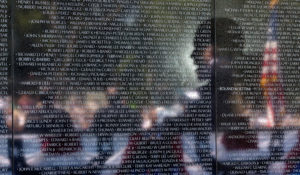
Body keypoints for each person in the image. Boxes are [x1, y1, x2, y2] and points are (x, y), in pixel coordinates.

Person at [89, 86, 141, 174]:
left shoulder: (101, 113)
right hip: (132, 156)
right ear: (121, 97)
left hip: (108, 156)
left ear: (107, 99)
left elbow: (94, 132)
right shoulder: (134, 113)